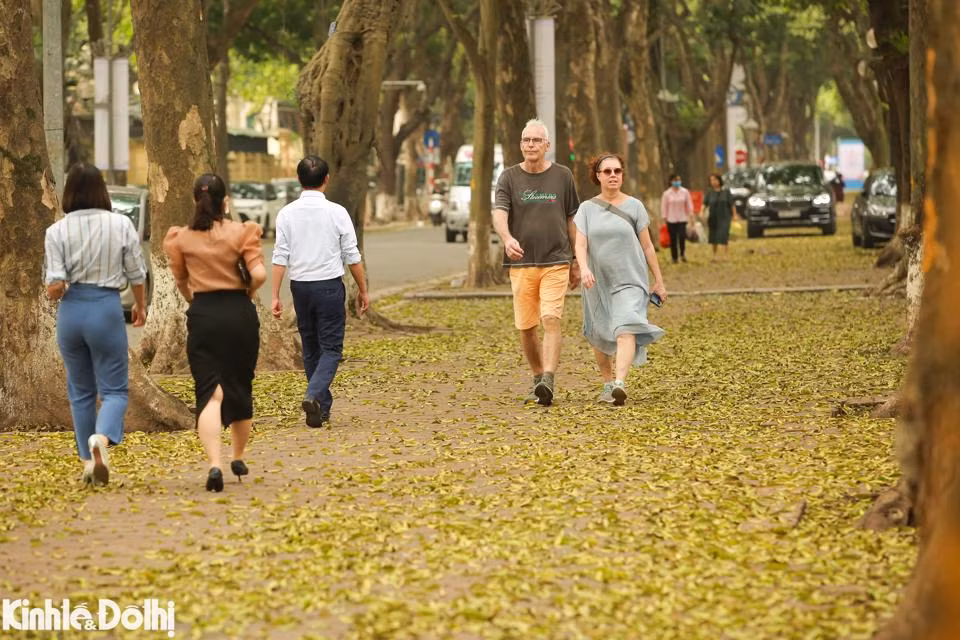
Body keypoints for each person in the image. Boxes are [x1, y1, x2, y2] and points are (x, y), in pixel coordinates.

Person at [43, 163, 147, 487]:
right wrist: (141, 305)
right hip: (105, 307)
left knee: (80, 391)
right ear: (102, 190)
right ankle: (100, 438)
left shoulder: (56, 231)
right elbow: (137, 273)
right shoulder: (121, 224)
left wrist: (60, 287)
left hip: (71, 311)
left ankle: (88, 462)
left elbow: (53, 285)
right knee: (114, 389)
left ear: (69, 193)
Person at [163, 174, 266, 492]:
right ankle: (238, 455)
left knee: (210, 392)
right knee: (239, 386)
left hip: (204, 315)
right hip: (239, 313)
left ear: (196, 200)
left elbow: (181, 280)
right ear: (225, 202)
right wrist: (246, 292)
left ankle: (214, 464)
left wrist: (196, 301)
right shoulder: (241, 231)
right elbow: (260, 273)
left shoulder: (181, 238)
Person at [270, 156, 369, 428]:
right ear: (326, 179)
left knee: (311, 347)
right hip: (328, 287)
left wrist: (275, 295)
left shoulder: (286, 214)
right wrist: (363, 289)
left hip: (300, 288)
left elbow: (280, 256)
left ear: (299, 180)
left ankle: (321, 409)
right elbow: (352, 255)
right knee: (332, 348)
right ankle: (314, 395)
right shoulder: (337, 212)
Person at [493, 118, 581, 406]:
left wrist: (577, 259)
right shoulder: (508, 177)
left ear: (547, 145)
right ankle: (537, 377)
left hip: (556, 260)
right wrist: (507, 238)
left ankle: (549, 379)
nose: (530, 145)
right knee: (527, 327)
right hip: (521, 264)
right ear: (521, 144)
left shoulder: (563, 176)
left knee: (551, 318)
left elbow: (572, 219)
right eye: (526, 140)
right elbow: (499, 213)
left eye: (536, 140)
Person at [574, 153, 666, 405]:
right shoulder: (586, 209)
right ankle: (606, 383)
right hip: (597, 281)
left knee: (625, 326)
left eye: (617, 171)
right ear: (597, 176)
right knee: (600, 331)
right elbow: (580, 244)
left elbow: (647, 247)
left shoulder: (635, 206)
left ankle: (619, 383)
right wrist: (583, 269)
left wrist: (658, 280)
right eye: (607, 171)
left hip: (631, 280)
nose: (613, 175)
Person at [660, 173, 694, 263]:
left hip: (682, 218)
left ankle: (682, 253)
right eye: (675, 180)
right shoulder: (666, 194)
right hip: (671, 220)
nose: (677, 182)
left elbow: (689, 205)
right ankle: (674, 257)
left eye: (678, 180)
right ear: (671, 182)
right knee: (673, 239)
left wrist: (691, 216)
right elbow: (664, 207)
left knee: (682, 237)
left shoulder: (685, 192)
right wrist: (664, 219)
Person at [702, 172, 736, 260]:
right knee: (713, 237)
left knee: (724, 235)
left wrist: (734, 215)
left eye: (715, 180)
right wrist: (701, 212)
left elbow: (732, 204)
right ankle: (715, 255)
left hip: (724, 217)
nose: (713, 182)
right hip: (713, 217)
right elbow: (705, 204)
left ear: (719, 180)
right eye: (711, 180)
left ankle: (726, 255)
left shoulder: (726, 192)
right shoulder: (709, 192)